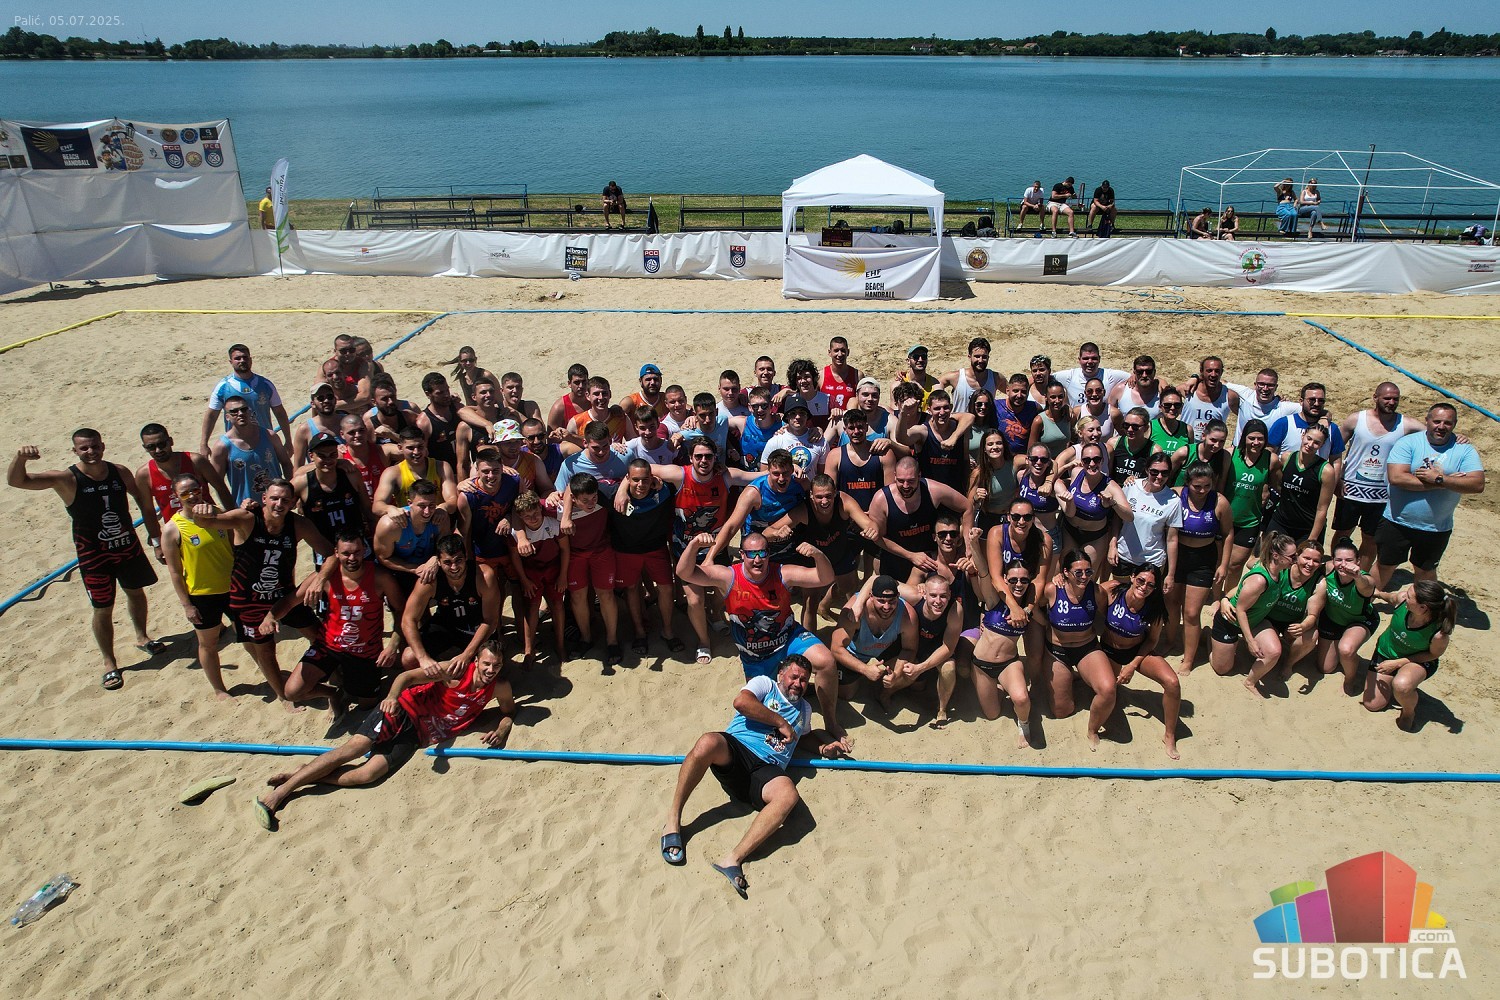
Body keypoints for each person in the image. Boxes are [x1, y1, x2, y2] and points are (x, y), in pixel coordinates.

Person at [254, 642, 513, 831]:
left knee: (367, 775)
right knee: (354, 749)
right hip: (404, 709)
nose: (491, 669)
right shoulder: (454, 670)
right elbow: (406, 676)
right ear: (476, 661)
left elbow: (509, 713)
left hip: (418, 736)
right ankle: (281, 793)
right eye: (486, 663)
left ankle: (306, 773)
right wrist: (391, 698)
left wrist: (501, 731)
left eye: (496, 665)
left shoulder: (499, 687)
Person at [657, 654, 849, 897]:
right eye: (794, 677)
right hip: (738, 750)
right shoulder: (765, 685)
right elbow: (741, 703)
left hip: (766, 770)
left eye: (803, 680)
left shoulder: (805, 709)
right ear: (781, 674)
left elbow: (802, 737)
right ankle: (673, 819)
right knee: (707, 742)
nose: (798, 684)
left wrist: (822, 748)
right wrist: (780, 722)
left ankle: (733, 860)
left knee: (788, 795)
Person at [9, 432, 165, 690]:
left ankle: (142, 637)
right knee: (103, 608)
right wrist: (20, 458)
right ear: (75, 451)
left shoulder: (119, 472)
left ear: (103, 446)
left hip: (127, 547)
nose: (91, 451)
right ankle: (109, 662)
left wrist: (155, 536)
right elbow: (18, 481)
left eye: (95, 446)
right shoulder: (67, 479)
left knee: (136, 593)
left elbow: (142, 500)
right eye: (84, 448)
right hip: (94, 556)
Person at [676, 532, 844, 740]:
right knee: (761, 709)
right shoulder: (728, 576)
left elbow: (825, 577)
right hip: (755, 655)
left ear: (768, 554)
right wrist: (694, 545)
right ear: (742, 554)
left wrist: (818, 555)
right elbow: (684, 573)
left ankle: (831, 722)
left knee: (826, 662)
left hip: (788, 637)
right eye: (751, 553)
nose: (757, 559)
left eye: (762, 553)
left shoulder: (782, 573)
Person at [187, 478, 330, 710]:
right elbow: (208, 522)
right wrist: (201, 513)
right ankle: (283, 696)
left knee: (319, 636)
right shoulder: (247, 518)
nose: (279, 504)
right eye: (274, 498)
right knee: (265, 650)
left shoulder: (299, 524)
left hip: (284, 595)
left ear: (292, 503)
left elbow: (330, 553)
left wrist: (320, 579)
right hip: (248, 599)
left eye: (285, 500)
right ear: (264, 499)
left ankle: (331, 677)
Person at [286, 530, 405, 713]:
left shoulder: (381, 578)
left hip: (365, 652)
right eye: (346, 553)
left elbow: (401, 611)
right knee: (292, 692)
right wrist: (270, 617)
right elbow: (290, 601)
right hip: (329, 645)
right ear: (336, 552)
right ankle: (334, 693)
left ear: (364, 550)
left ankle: (352, 683)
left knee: (366, 706)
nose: (352, 558)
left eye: (357, 552)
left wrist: (392, 646)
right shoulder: (324, 577)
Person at [1374, 402, 1485, 588]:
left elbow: (1477, 484)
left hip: (1436, 528)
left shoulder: (1464, 449)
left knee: (1425, 571)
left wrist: (1440, 479)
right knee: (1384, 566)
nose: (1441, 426)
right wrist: (1443, 484)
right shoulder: (1408, 442)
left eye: (1447, 423)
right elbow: (1397, 478)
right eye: (1437, 421)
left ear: (1455, 424)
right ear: (1427, 421)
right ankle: (1364, 602)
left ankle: (1425, 605)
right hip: (1396, 521)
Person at [160, 473, 234, 699]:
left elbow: (235, 546)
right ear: (176, 496)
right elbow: (175, 572)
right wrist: (187, 605)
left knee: (249, 637)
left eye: (195, 490)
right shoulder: (173, 529)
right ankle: (219, 689)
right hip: (202, 594)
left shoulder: (219, 514)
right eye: (185, 493)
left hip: (232, 588)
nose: (192, 496)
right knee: (208, 644)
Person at [1098, 565, 1182, 758]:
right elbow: (1084, 591)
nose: (1144, 587)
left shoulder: (1155, 608)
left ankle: (1169, 735)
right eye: (1141, 581)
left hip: (1136, 651)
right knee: (1108, 691)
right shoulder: (1112, 589)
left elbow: (1152, 640)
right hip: (1109, 650)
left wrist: (1132, 665)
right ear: (1132, 577)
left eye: (1150, 585)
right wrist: (1061, 578)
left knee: (1172, 683)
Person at [776, 473, 877, 628]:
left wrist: (872, 530)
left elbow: (868, 524)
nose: (824, 501)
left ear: (835, 492)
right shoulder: (803, 510)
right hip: (812, 561)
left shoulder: (844, 501)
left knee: (850, 587)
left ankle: (829, 608)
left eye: (828, 496)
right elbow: (768, 532)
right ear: (811, 495)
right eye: (819, 497)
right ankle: (809, 640)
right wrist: (778, 532)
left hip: (839, 553)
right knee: (810, 602)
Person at [1041, 548, 1116, 751]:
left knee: (1108, 690)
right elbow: (1036, 606)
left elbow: (1107, 612)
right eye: (1078, 572)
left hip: (1087, 648)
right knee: (1061, 711)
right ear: (1066, 572)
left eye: (1088, 571)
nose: (1084, 576)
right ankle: (1071, 677)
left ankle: (1093, 730)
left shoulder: (1097, 592)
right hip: (1058, 651)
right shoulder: (1052, 590)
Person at [609, 460, 683, 658]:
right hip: (626, 551)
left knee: (666, 588)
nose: (640, 485)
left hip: (656, 549)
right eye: (635, 480)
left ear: (652, 479)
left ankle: (668, 630)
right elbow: (575, 488)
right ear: (627, 479)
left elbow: (686, 476)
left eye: (645, 480)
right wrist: (622, 490)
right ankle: (640, 632)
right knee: (632, 589)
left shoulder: (664, 491)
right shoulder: (613, 494)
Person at [968, 539, 1037, 746]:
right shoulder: (994, 600)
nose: (1018, 584)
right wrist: (974, 544)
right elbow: (984, 572)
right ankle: (994, 686)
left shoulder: (1029, 607)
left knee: (1021, 699)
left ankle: (1024, 725)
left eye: (1023, 580)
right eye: (1013, 580)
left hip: (1008, 663)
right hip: (981, 665)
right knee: (992, 714)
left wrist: (1030, 611)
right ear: (1005, 579)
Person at [1363, 580, 1457, 731]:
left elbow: (1433, 655)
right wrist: (1377, 594)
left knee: (1402, 686)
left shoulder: (1439, 634)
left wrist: (1398, 663)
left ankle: (1408, 712)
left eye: (1409, 596)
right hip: (1386, 652)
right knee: (1372, 704)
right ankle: (1397, 682)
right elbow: (1388, 597)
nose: (1404, 597)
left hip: (1418, 661)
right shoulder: (1401, 601)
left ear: (1423, 607)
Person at [1208, 531, 1297, 690]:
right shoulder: (1259, 580)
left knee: (1274, 651)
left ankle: (1250, 682)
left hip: (1255, 620)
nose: (1295, 559)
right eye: (1292, 556)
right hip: (1231, 621)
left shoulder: (1281, 571)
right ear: (1276, 556)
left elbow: (1249, 567)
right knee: (1222, 669)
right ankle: (1208, 637)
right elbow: (1241, 610)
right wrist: (1250, 642)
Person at [400, 533, 500, 673]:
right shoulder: (431, 580)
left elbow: (490, 621)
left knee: (489, 666)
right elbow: (408, 619)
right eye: (447, 562)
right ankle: (429, 685)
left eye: (458, 560)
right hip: (446, 625)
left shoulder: (483, 577)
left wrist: (467, 655)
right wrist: (423, 658)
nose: (454, 567)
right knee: (409, 657)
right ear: (438, 562)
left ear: (466, 557)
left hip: (476, 628)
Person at [1169, 461, 1234, 675]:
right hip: (1177, 556)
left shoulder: (1219, 502)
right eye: (1197, 486)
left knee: (1191, 613)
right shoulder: (1176, 494)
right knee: (1172, 604)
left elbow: (1228, 534)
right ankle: (1170, 641)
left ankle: (1189, 659)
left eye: (1207, 486)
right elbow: (1151, 491)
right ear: (1188, 483)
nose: (1202, 490)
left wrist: (1223, 564)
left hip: (1203, 560)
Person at [866, 457, 973, 582]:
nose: (906, 486)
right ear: (894, 476)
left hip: (929, 563)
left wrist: (966, 547)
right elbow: (878, 537)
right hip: (896, 560)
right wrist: (911, 555)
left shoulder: (933, 490)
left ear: (919, 476)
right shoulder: (881, 499)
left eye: (911, 481)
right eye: (901, 481)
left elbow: (967, 507)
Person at [559, 472, 623, 669]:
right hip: (575, 555)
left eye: (594, 497)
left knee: (606, 595)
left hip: (601, 551)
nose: (591, 503)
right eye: (585, 500)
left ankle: (612, 640)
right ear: (573, 498)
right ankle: (586, 638)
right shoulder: (558, 508)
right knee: (577, 597)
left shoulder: (605, 496)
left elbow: (626, 484)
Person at [885, 573, 962, 729]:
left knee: (949, 668)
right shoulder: (915, 597)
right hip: (911, 646)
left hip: (937, 649)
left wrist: (921, 668)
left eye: (943, 596)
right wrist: (858, 606)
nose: (938, 601)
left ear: (949, 595)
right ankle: (885, 695)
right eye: (933, 595)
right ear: (924, 594)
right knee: (911, 682)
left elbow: (948, 647)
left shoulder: (955, 610)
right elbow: (879, 581)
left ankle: (942, 709)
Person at [830, 574, 918, 706]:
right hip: (855, 652)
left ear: (898, 596)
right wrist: (864, 669)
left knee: (910, 671)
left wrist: (897, 674)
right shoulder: (854, 611)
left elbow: (909, 649)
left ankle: (884, 692)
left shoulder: (908, 615)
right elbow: (836, 648)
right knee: (846, 694)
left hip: (886, 648)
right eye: (881, 601)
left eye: (892, 601)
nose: (887, 607)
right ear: (871, 596)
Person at [201, 343, 292, 457]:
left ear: (250, 360)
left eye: (245, 357)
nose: (242, 360)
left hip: (264, 442)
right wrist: (204, 443)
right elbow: (211, 415)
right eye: (237, 358)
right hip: (236, 445)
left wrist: (288, 441)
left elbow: (280, 412)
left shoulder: (266, 385)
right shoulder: (223, 387)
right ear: (231, 362)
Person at [509, 490, 569, 664]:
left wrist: (563, 576)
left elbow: (565, 549)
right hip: (532, 572)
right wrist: (524, 580)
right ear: (520, 516)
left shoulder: (553, 524)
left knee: (557, 605)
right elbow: (515, 558)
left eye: (535, 513)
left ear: (540, 509)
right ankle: (529, 649)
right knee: (532, 607)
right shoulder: (516, 534)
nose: (533, 518)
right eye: (527, 516)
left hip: (553, 569)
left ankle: (560, 644)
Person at [1055, 443, 1131, 577]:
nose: (1091, 464)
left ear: (1102, 461)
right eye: (1086, 460)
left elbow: (1129, 516)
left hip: (1095, 537)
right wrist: (1065, 467)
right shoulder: (1076, 472)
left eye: (1096, 459)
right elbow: (1054, 480)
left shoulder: (1110, 486)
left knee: (1087, 576)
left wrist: (1113, 503)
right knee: (1064, 572)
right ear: (1081, 461)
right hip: (1069, 530)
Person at [1316, 537, 1379, 697]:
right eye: (1339, 560)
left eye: (1349, 560)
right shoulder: (1329, 569)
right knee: (1326, 668)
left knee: (1346, 650)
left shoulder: (1364, 580)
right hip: (1332, 619)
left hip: (1359, 621)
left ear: (1358, 561)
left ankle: (1350, 678)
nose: (1343, 564)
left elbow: (1367, 585)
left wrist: (1358, 576)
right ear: (1332, 560)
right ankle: (1341, 646)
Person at [1261, 539, 1328, 684]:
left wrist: (1303, 626)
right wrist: (1226, 599)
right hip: (1267, 618)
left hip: (1292, 623)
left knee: (1311, 635)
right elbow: (1253, 569)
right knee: (1267, 650)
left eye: (1316, 561)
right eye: (1306, 558)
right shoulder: (1282, 570)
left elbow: (1313, 615)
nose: (1310, 564)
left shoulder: (1319, 583)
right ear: (1297, 556)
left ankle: (1289, 663)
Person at [373, 479, 452, 600]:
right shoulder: (390, 525)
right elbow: (383, 557)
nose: (427, 512)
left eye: (431, 505)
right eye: (422, 506)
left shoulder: (440, 519)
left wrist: (436, 558)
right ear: (410, 503)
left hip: (430, 568)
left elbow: (444, 548)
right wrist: (414, 569)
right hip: (400, 571)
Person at [136, 423, 230, 522]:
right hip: (177, 528)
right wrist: (155, 532)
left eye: (161, 444)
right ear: (145, 448)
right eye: (151, 447)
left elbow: (221, 489)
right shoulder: (144, 475)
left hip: (210, 522)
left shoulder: (195, 461)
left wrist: (231, 518)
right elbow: (148, 511)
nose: (158, 450)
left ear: (171, 441)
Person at [295, 432, 371, 551]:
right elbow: (283, 501)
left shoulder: (351, 475)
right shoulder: (302, 483)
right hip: (325, 549)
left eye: (332, 454)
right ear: (311, 456)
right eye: (322, 456)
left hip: (355, 545)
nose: (328, 459)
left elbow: (367, 509)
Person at [1225, 419, 1280, 583]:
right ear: (1244, 438)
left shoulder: (1270, 460)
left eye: (1260, 439)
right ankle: (1214, 594)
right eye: (1252, 438)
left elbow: (1278, 486)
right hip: (1225, 518)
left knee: (1235, 565)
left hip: (1249, 521)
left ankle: (1229, 595)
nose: (1256, 443)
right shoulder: (1230, 454)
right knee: (1218, 562)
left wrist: (1266, 490)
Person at [210, 397, 291, 506]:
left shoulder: (270, 436)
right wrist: (231, 509)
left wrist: (291, 494)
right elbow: (217, 484)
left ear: (249, 411)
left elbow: (286, 464)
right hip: (246, 508)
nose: (240, 413)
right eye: (234, 411)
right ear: (227, 417)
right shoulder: (222, 447)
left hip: (276, 505)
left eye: (244, 409)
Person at [1113, 454, 1181, 584]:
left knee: (1144, 596)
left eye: (1164, 473)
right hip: (1123, 556)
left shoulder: (1173, 501)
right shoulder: (1130, 486)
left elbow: (1172, 539)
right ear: (1147, 470)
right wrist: (1113, 545)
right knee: (1119, 594)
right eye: (1154, 472)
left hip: (1151, 561)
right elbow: (1117, 518)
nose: (1159, 477)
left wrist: (1170, 574)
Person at [1264, 424, 1336, 544]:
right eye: (1309, 438)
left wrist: (1312, 539)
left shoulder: (1326, 471)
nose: (1310, 444)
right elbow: (1277, 484)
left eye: (1316, 443)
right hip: (1281, 521)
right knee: (1267, 553)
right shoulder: (1287, 458)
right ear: (1303, 435)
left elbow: (1322, 509)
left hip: (1306, 528)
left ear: (1322, 445)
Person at [898, 388, 971, 497]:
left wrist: (954, 437)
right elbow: (902, 438)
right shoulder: (923, 431)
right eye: (937, 408)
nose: (942, 412)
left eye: (946, 407)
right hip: (929, 495)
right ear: (929, 410)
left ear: (951, 408)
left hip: (955, 494)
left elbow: (965, 461)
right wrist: (903, 414)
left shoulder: (960, 429)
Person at [372, 427, 458, 517]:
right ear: (400, 448)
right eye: (411, 448)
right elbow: (377, 506)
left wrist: (444, 507)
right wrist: (390, 509)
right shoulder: (393, 473)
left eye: (420, 447)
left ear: (425, 445)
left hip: (437, 520)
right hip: (409, 522)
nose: (416, 452)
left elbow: (452, 500)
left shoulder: (441, 467)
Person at [1266, 382, 1345, 462]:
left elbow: (1336, 460)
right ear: (1301, 401)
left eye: (1321, 401)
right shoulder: (1284, 424)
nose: (1316, 404)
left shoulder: (1332, 429)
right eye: (1312, 400)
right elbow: (1268, 454)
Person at [1226, 368, 1296, 446]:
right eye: (1261, 384)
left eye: (1270, 385)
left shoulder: (1283, 407)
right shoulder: (1246, 395)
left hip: (1265, 452)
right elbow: (1221, 382)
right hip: (1238, 450)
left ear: (1276, 387)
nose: (1265, 388)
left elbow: (1304, 407)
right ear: (1255, 385)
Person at [970, 428, 1021, 533]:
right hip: (988, 519)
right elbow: (968, 505)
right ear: (984, 449)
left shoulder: (1015, 462)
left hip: (1011, 518)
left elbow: (1041, 461)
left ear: (1004, 446)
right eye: (990, 444)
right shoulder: (978, 473)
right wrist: (976, 498)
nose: (995, 447)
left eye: (999, 443)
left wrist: (1048, 481)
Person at [1178, 356, 1238, 443]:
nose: (1213, 374)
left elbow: (1244, 417)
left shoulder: (1229, 396)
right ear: (1201, 371)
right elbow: (1166, 398)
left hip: (1212, 447)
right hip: (1185, 444)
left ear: (1221, 372)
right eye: (1209, 370)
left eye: (1217, 371)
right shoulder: (1188, 390)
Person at [1054, 342, 1130, 409]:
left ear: (1099, 359)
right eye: (1085, 358)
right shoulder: (1070, 376)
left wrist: (1133, 376)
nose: (1090, 362)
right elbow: (1049, 377)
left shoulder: (1109, 376)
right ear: (1079, 360)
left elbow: (1132, 377)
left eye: (1094, 358)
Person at [290, 382, 345, 470]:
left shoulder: (348, 422)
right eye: (320, 398)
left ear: (335, 400)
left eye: (329, 397)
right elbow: (298, 468)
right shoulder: (305, 430)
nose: (326, 401)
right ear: (312, 404)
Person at [940, 337, 999, 415]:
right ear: (969, 356)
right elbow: (936, 385)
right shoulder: (957, 377)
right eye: (977, 356)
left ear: (988, 357)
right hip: (959, 422)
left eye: (984, 357)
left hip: (986, 423)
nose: (980, 360)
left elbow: (1011, 391)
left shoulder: (995, 378)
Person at [773, 360, 832, 431]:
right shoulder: (790, 401)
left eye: (807, 377)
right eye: (799, 378)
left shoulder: (827, 400)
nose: (803, 381)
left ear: (813, 378)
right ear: (795, 381)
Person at [1106, 407, 1157, 487]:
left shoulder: (1154, 450)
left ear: (1146, 428)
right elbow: (1106, 472)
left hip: (1138, 491)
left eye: (1135, 427)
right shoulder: (1113, 444)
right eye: (1126, 425)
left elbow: (1155, 479)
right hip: (1114, 489)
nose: (1130, 429)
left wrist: (1138, 481)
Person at [995, 373, 1041, 456]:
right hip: (1000, 457)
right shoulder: (996, 406)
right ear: (1007, 390)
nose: (1019, 395)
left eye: (1023, 392)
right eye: (1015, 391)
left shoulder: (1034, 407)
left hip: (1023, 457)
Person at [1112, 355, 1166, 424]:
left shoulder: (1162, 391)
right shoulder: (1120, 390)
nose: (1144, 375)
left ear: (1154, 372)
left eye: (1148, 371)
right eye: (1140, 372)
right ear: (1134, 373)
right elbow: (1108, 415)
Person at [1029, 381, 1074, 460]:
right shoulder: (1039, 421)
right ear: (1046, 397)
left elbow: (1073, 440)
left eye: (1060, 397)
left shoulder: (1068, 416)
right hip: (1045, 463)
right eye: (1053, 397)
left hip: (1065, 462)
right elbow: (1031, 450)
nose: (1057, 401)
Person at [546, 362, 590, 432]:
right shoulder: (559, 408)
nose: (581, 386)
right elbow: (551, 436)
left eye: (584, 381)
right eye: (577, 382)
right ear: (569, 384)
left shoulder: (594, 401)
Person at [821, 337, 861, 411]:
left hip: (850, 417)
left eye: (843, 350)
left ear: (848, 352)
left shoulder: (857, 375)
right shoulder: (821, 376)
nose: (839, 354)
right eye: (836, 351)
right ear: (829, 352)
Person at [892, 344, 938, 409]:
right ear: (908, 361)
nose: (920, 360)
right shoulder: (898, 385)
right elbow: (895, 411)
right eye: (916, 357)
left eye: (924, 356)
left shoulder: (935, 385)